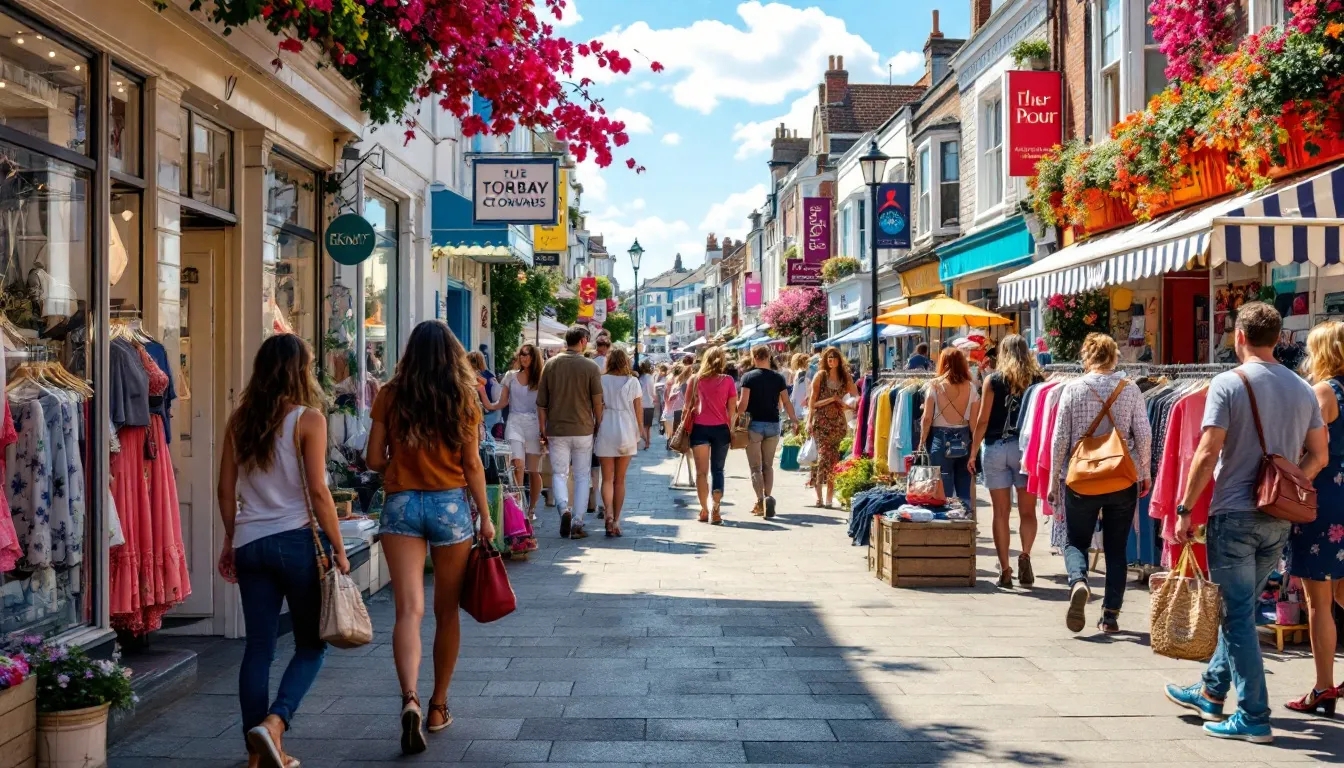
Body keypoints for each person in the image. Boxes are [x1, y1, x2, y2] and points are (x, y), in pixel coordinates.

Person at [1166, 303, 1328, 742]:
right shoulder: (1302, 388)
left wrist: (1184, 509)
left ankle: (1254, 715)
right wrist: (1292, 481)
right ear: (1278, 338)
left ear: (1239, 336)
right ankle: (1210, 691)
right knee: (1241, 609)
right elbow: (1320, 455)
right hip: (1277, 516)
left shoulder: (1228, 382)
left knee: (1236, 614)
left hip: (1234, 513)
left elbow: (1207, 450)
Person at [217, 334, 349, 768]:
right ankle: (275, 724)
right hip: (296, 543)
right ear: (300, 371)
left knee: (259, 648)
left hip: (250, 543)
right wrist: (339, 547)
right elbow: (318, 491)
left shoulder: (239, 421)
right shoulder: (308, 420)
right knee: (311, 645)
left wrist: (229, 538)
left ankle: (255, 755)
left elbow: (224, 490)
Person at [365, 321, 494, 753]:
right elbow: (473, 464)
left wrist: (400, 470)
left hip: (401, 505)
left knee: (408, 611)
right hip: (450, 507)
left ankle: (410, 699)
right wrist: (487, 519)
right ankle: (439, 706)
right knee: (447, 611)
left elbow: (371, 458)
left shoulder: (389, 394)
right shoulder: (465, 397)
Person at [1047, 333, 1151, 634]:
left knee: (1075, 541)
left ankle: (1079, 580)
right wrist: (1144, 472)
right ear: (1114, 356)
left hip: (1081, 478)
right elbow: (1143, 435)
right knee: (1116, 548)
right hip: (1120, 477)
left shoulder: (1072, 389)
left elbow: (1060, 439)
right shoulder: (1129, 389)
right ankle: (1110, 616)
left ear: (1086, 356)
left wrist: (1056, 477)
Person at [1284, 321, 1344, 715]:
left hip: (1327, 502)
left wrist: (1288, 484)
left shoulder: (1325, 392)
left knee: (1319, 599)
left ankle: (1324, 687)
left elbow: (1309, 450)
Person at [969, 335, 1044, 589]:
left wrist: (972, 452)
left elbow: (982, 421)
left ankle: (1005, 569)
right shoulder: (1037, 381)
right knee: (1027, 511)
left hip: (996, 448)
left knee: (1000, 512)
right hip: (1025, 450)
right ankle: (1025, 555)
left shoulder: (993, 380)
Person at [537, 325, 604, 539]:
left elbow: (541, 404)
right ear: (583, 341)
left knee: (559, 473)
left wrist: (542, 429)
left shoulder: (551, 364)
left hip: (557, 428)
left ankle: (563, 509)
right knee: (583, 475)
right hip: (583, 427)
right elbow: (597, 402)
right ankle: (578, 520)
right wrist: (598, 424)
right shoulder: (590, 367)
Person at [481, 343, 544, 518]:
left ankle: (531, 509)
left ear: (534, 358)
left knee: (533, 471)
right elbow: (501, 403)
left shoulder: (541, 379)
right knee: (517, 464)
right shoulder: (510, 376)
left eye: (528, 354)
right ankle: (520, 507)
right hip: (514, 422)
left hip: (534, 424)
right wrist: (484, 397)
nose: (524, 357)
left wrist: (545, 430)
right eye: (521, 354)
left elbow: (544, 407)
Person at [739, 345, 799, 518]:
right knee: (768, 466)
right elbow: (786, 402)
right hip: (773, 424)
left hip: (754, 425)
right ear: (769, 356)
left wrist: (734, 413)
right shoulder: (778, 378)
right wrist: (794, 419)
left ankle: (760, 501)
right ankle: (768, 497)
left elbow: (743, 405)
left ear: (753, 357)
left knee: (755, 467)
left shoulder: (748, 377)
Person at [918, 347, 979, 511]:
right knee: (964, 484)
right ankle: (965, 521)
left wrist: (922, 440)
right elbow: (974, 422)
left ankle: (946, 525)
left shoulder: (934, 386)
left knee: (943, 489)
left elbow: (927, 418)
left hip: (940, 438)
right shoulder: (971, 388)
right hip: (964, 438)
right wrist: (975, 448)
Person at [595, 349, 646, 536]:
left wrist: (597, 425)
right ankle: (616, 520)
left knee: (607, 478)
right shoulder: (633, 382)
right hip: (626, 427)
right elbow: (638, 409)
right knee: (620, 480)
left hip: (607, 425)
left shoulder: (602, 380)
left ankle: (607, 513)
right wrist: (641, 431)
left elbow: (598, 406)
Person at [689, 347, 738, 524]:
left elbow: (688, 407)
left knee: (701, 473)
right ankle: (716, 510)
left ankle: (704, 510)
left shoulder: (695, 380)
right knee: (718, 470)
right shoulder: (728, 381)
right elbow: (733, 410)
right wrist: (731, 430)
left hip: (700, 428)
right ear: (722, 360)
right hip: (721, 430)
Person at [809, 346, 859, 508]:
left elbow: (856, 398)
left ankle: (829, 497)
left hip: (837, 424)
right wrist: (831, 400)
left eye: (834, 358)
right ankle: (819, 498)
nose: (831, 361)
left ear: (839, 360)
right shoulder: (820, 376)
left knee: (834, 461)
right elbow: (812, 403)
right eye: (828, 358)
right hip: (822, 423)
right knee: (823, 459)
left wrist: (846, 405)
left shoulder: (845, 378)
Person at [467, 350, 501, 439]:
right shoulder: (490, 375)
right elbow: (497, 395)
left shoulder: (470, 377)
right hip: (493, 414)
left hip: (480, 415)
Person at [662, 363, 688, 450]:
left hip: (668, 409)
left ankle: (669, 443)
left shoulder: (669, 380)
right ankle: (673, 445)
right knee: (676, 430)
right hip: (678, 409)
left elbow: (665, 396)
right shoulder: (681, 382)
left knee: (669, 431)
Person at [638, 360, 657, 449]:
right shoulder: (649, 377)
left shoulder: (640, 377)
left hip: (642, 404)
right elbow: (652, 391)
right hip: (649, 403)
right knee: (648, 426)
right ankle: (647, 442)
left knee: (643, 425)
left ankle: (646, 442)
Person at [789, 353, 811, 423]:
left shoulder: (799, 372)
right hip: (802, 403)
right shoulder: (803, 373)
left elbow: (795, 392)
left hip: (798, 403)